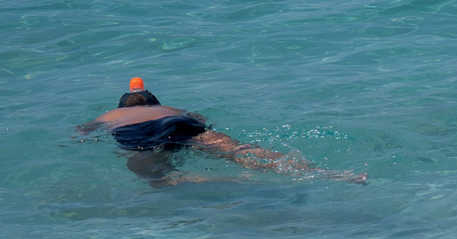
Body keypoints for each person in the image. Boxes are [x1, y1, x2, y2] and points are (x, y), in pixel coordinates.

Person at [78, 78, 364, 182]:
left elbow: (83, 133)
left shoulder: (112, 115)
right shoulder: (172, 109)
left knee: (158, 179)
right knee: (242, 150)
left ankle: (231, 180)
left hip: (142, 136)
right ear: (156, 102)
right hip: (184, 126)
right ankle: (330, 174)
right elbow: (201, 118)